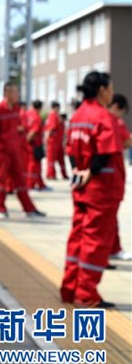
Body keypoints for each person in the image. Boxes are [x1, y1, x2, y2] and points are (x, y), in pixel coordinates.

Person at [60, 72, 124, 308]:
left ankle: (70, 288)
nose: (112, 93)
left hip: (82, 189)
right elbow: (106, 152)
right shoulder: (102, 117)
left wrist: (78, 170)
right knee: (96, 242)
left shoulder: (78, 116)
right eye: (110, 88)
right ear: (101, 90)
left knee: (78, 236)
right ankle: (86, 294)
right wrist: (91, 171)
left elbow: (69, 148)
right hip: (101, 190)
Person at [0, 83, 45, 218]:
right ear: (7, 93)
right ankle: (1, 209)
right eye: (15, 92)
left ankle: (29, 209)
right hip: (1, 151)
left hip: (15, 151)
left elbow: (18, 126)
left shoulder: (16, 109)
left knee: (20, 180)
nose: (17, 95)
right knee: (1, 180)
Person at [107, 94, 132, 262]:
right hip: (110, 178)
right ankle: (109, 251)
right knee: (107, 217)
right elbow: (128, 142)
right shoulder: (113, 122)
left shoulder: (95, 118)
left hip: (101, 178)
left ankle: (113, 249)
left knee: (109, 217)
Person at [25, 100, 50, 191]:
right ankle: (31, 184)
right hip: (35, 144)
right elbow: (34, 132)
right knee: (34, 165)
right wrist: (27, 140)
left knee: (31, 164)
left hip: (29, 144)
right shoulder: (36, 117)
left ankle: (39, 183)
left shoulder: (27, 115)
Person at [44, 102, 68, 180]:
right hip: (56, 141)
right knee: (57, 159)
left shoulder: (53, 115)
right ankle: (60, 174)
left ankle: (51, 174)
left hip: (53, 141)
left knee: (52, 158)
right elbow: (52, 128)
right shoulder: (55, 116)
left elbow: (51, 128)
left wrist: (46, 138)